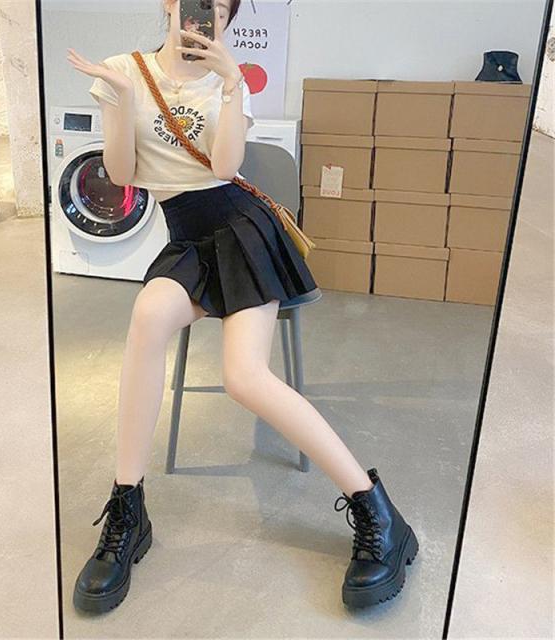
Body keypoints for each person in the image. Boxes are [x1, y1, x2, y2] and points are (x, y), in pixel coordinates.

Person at [67, 0, 418, 615]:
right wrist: (119, 101)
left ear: (225, 21)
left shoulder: (230, 80)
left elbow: (226, 166)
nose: (201, 20)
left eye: (217, 11)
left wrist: (231, 85)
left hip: (243, 231)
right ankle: (127, 507)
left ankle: (379, 514)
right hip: (186, 240)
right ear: (169, 5)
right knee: (147, 316)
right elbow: (122, 173)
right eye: (192, 5)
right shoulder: (123, 71)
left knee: (244, 377)